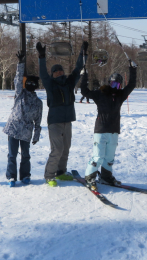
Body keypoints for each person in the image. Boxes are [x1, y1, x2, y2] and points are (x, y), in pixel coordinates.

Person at [37, 40, 87, 187]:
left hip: (68, 120)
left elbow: (78, 69)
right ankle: (49, 175)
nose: (59, 72)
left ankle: (61, 172)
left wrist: (84, 54)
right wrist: (41, 56)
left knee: (65, 148)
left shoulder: (69, 82)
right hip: (55, 122)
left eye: (60, 70)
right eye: (56, 71)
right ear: (52, 74)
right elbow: (42, 73)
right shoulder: (50, 84)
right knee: (57, 149)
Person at [80, 61, 137, 189]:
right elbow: (84, 91)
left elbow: (132, 84)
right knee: (98, 156)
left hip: (114, 131)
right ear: (109, 82)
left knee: (109, 158)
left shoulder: (120, 95)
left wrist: (132, 69)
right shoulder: (100, 94)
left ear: (120, 85)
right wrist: (84, 76)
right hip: (101, 130)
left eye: (117, 84)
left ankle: (106, 177)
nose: (115, 86)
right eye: (113, 83)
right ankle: (89, 177)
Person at [3, 51, 43, 187]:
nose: (31, 85)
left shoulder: (38, 102)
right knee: (12, 155)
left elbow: (38, 121)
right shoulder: (20, 93)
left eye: (33, 83)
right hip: (13, 129)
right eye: (29, 82)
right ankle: (11, 176)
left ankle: (25, 175)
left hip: (26, 132)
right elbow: (18, 79)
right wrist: (20, 63)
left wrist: (36, 135)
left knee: (25, 155)